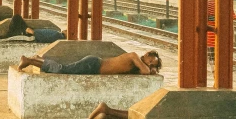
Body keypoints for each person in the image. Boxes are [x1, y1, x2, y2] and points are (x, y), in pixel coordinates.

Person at [17, 49, 162, 75]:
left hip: (94, 67)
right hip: (93, 64)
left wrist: (153, 70)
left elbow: (146, 71)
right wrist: (150, 69)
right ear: (147, 54)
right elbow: (145, 71)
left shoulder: (138, 65)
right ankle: (29, 60)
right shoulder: (134, 56)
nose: (150, 64)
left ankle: (37, 59)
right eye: (151, 61)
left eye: (153, 65)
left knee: (64, 68)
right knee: (62, 70)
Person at [0, 14, 67, 44]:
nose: (66, 29)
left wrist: (33, 32)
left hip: (30, 36)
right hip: (30, 31)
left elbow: (45, 38)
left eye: (67, 31)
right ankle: (10, 32)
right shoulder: (57, 33)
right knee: (16, 17)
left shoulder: (58, 36)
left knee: (7, 38)